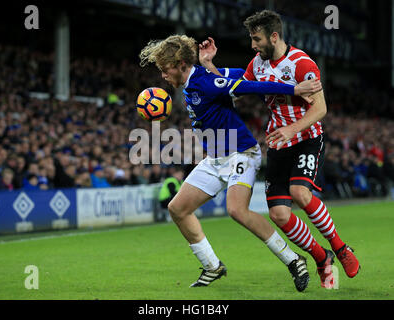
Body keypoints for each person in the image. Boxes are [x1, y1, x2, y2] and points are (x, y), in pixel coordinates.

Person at [139, 34, 322, 291]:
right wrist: (211, 63)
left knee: (237, 210)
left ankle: (293, 260)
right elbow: (241, 74)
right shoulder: (198, 81)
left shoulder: (205, 83)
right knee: (177, 208)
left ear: (181, 64)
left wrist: (294, 89)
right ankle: (212, 266)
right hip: (214, 159)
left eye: (165, 69)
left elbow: (247, 86)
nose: (163, 76)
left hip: (241, 153)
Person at [198, 10, 360, 288]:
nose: (253, 45)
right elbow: (234, 88)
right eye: (251, 39)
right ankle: (322, 257)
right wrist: (209, 65)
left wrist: (292, 129)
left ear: (274, 36)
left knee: (300, 192)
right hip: (279, 142)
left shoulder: (302, 63)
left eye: (256, 38)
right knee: (279, 215)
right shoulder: (257, 65)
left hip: (307, 137)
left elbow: (321, 108)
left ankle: (341, 247)